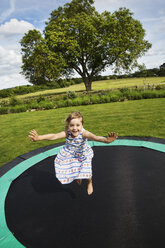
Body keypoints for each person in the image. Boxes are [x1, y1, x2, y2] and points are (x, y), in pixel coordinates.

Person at [29, 111, 118, 195]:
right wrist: (39, 137)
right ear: (68, 126)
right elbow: (54, 136)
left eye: (78, 125)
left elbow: (96, 138)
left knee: (87, 171)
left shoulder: (84, 133)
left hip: (83, 154)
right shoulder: (67, 133)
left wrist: (106, 140)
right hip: (71, 154)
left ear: (82, 125)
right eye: (72, 125)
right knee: (71, 168)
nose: (75, 128)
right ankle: (77, 176)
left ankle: (89, 182)